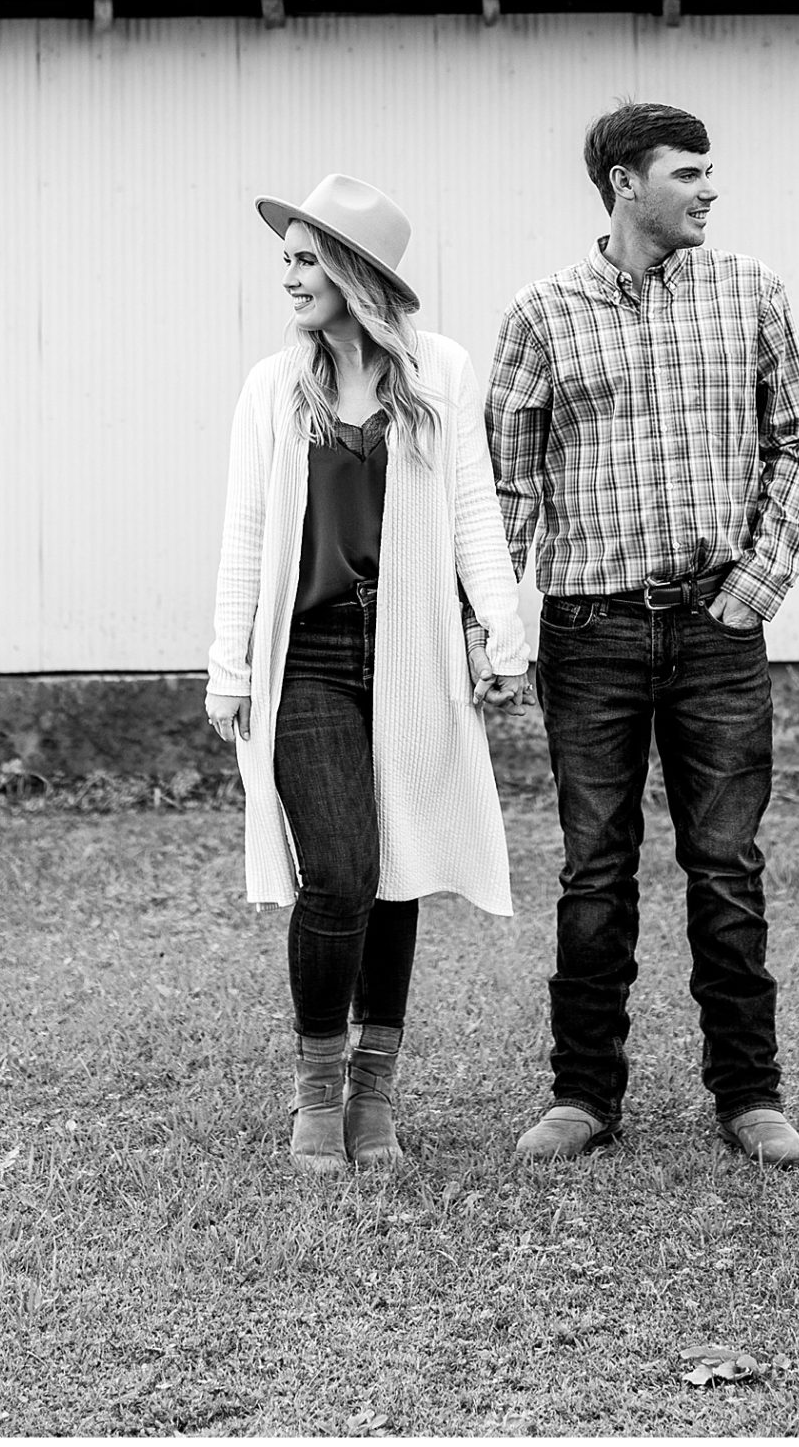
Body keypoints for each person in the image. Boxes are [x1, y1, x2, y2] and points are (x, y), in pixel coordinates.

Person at [486, 103, 799, 1168]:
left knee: (726, 864)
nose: (708, 190)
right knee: (596, 869)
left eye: (709, 172)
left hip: (715, 630)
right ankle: (584, 1094)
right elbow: (506, 489)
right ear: (624, 182)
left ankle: (751, 1092)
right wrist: (495, 631)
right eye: (687, 173)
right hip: (588, 632)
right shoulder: (543, 315)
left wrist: (757, 582)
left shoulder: (752, 296)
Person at [206, 174, 529, 1175]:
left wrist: (501, 632)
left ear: (355, 272)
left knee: (399, 874)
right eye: (289, 259)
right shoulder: (274, 385)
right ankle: (317, 1091)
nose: (290, 277)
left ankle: (375, 1093)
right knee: (340, 870)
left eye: (307, 258)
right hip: (306, 656)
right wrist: (229, 667)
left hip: (412, 652)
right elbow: (249, 531)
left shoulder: (439, 371)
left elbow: (473, 507)